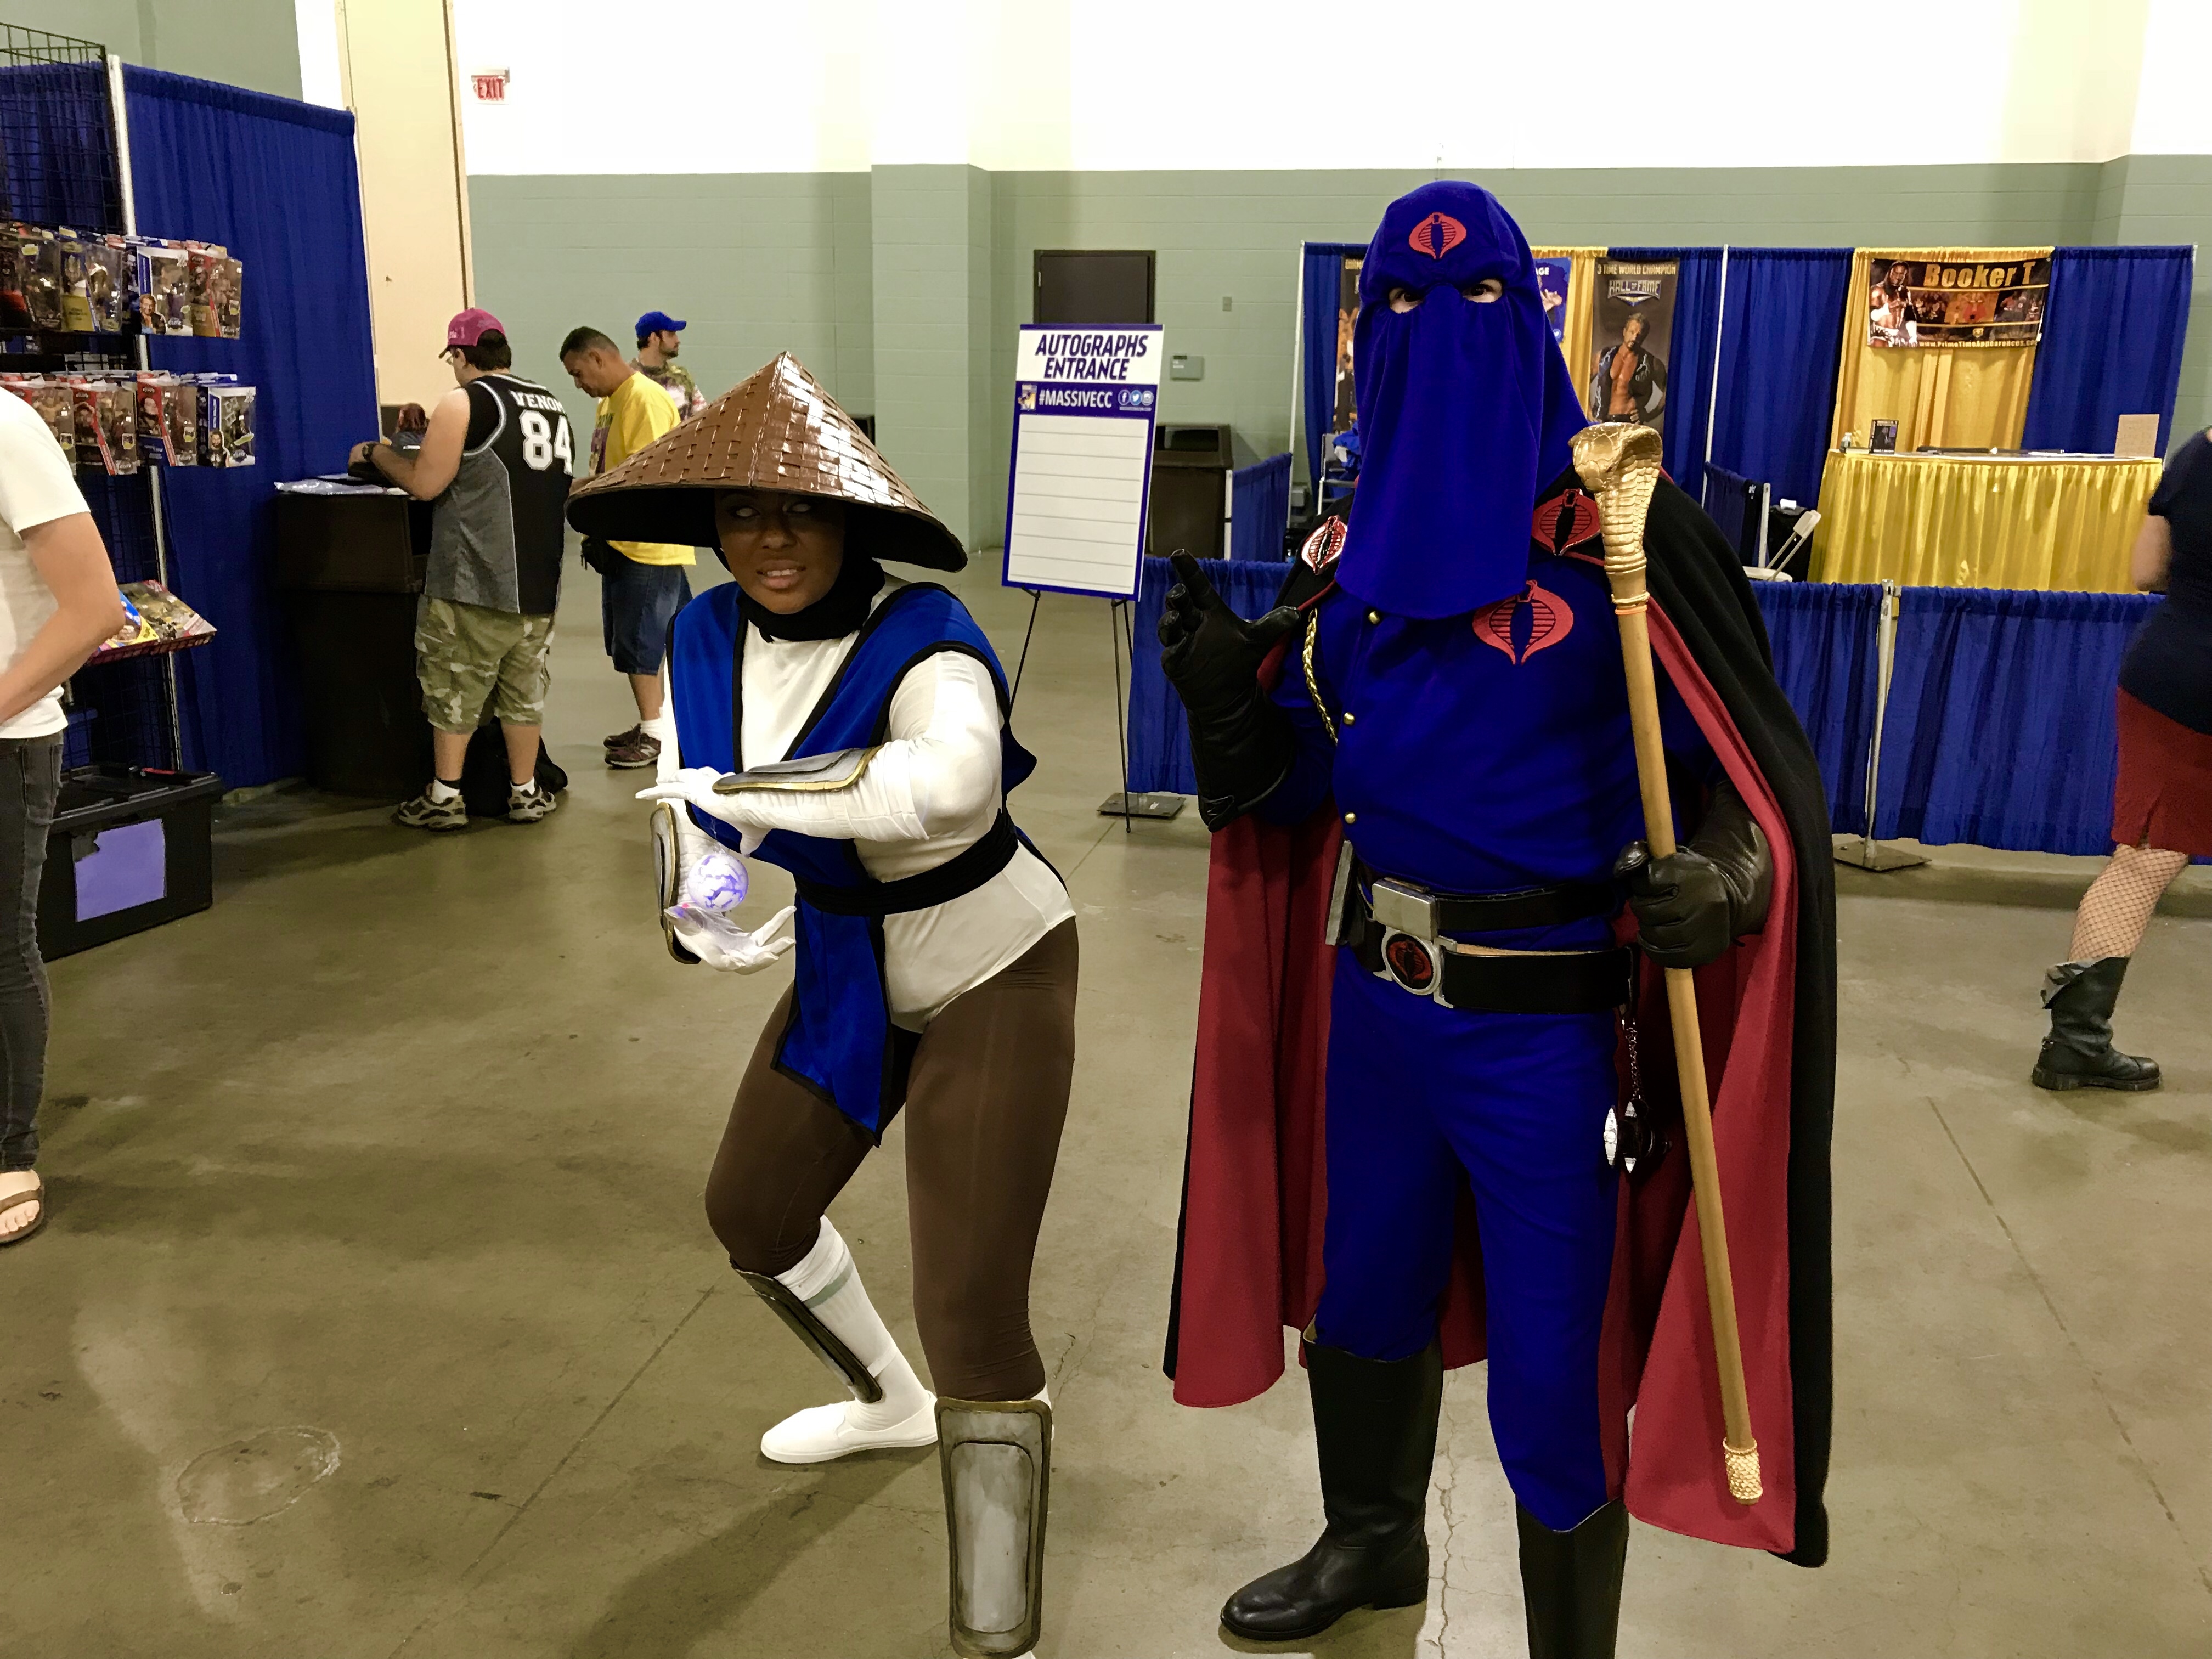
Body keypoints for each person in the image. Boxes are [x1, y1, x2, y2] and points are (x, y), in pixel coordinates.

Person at [1158, 182, 1835, 1657]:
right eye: (1403, 302)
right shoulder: (1351, 556)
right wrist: (1226, 709)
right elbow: (1306, 786)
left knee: (1551, 1365)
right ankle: (1372, 1539)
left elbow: (1757, 788)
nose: (1439, 328)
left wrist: (1723, 883)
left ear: (1529, 314)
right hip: (1377, 1009)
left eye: (1474, 298)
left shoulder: (1625, 535)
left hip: (1548, 1036)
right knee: (1363, 1292)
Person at [567, 352, 1077, 1659]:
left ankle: (997, 1630)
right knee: (752, 1208)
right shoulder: (700, 632)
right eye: (742, 513)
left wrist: (746, 801)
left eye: (800, 510)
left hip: (993, 960)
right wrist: (699, 905)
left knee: (974, 1314)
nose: (772, 539)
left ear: (852, 519)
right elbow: (689, 800)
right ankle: (886, 1403)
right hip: (849, 954)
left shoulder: (928, 635)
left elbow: (951, 793)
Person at [2032, 428, 2212, 1090]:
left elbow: (2146, 572)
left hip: (2166, 674)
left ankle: (2075, 1043)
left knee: (2142, 861)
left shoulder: (2196, 454)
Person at [353, 309, 573, 830]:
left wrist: (377, 452)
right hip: (539, 583)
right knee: (523, 695)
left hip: (474, 582)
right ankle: (526, 792)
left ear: (459, 354)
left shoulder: (464, 401)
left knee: (454, 689)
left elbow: (425, 484)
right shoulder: (551, 404)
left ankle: (445, 797)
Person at [0, 387, 129, 1247]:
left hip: (8, 742)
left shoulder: (6, 428)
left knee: (0, 948)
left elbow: (95, 608)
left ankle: (9, 1152)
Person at [560, 326, 689, 770]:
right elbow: (612, 468)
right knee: (646, 640)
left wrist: (586, 490)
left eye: (578, 373)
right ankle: (658, 723)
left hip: (647, 544)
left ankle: (655, 735)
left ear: (597, 358)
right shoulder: (610, 403)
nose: (578, 384)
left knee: (642, 645)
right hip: (621, 541)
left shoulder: (645, 400)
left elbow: (647, 474)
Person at [1588, 309, 1667, 424]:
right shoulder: (1604, 356)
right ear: (1625, 332)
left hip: (1630, 425)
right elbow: (1581, 381)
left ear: (1644, 337)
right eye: (1632, 332)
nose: (1634, 338)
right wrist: (1588, 410)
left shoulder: (1652, 363)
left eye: (1639, 335)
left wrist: (1649, 415)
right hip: (1602, 422)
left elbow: (1670, 391)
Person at [633, 310, 706, 421]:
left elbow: (702, 418)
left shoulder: (681, 377)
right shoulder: (626, 378)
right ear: (654, 338)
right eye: (671, 335)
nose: (678, 341)